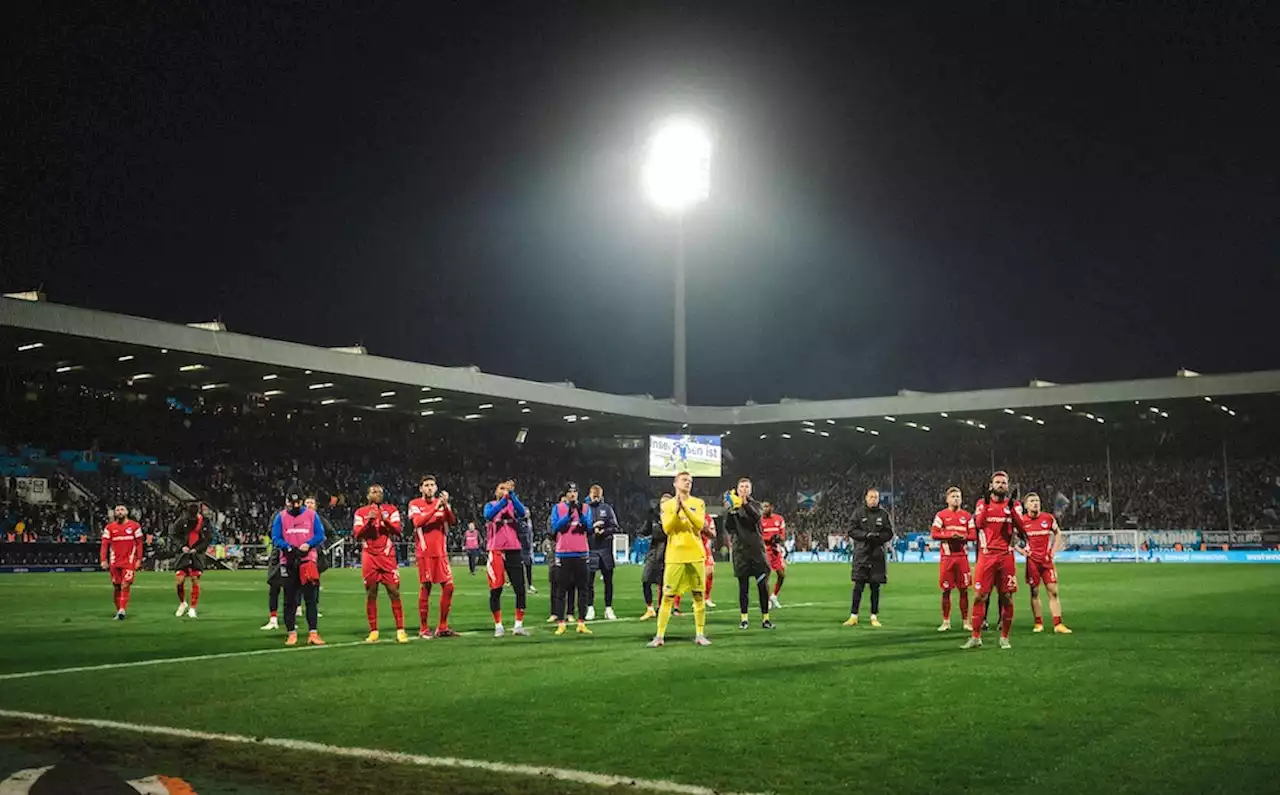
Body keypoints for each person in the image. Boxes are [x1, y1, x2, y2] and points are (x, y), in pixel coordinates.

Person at [963, 472, 1029, 650]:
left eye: (1004, 483)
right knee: (979, 596)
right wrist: (985, 504)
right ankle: (976, 637)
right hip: (986, 556)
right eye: (998, 482)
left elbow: (1022, 529)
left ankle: (1005, 637)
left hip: (1006, 557)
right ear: (991, 485)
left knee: (1007, 597)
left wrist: (1013, 509)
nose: (1001, 485)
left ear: (1008, 486)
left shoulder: (1014, 505)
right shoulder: (981, 503)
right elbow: (978, 524)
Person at [648, 472, 711, 648]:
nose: (688, 483)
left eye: (690, 481)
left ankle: (700, 633)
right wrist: (676, 511)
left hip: (696, 554)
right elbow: (667, 528)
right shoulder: (667, 505)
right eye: (684, 480)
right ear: (675, 483)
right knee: (667, 596)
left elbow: (699, 525)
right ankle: (659, 636)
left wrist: (684, 508)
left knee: (698, 595)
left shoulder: (698, 503)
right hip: (675, 556)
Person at [353, 484, 408, 644]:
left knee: (394, 591)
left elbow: (398, 530)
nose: (376, 494)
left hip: (386, 555)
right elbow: (357, 534)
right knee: (371, 592)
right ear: (368, 495)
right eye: (373, 491)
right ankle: (374, 631)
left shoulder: (390, 510)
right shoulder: (361, 513)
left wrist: (384, 520)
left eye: (379, 492)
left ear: (383, 495)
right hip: (369, 556)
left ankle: (400, 630)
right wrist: (369, 522)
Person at [270, 492, 325, 646]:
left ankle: (313, 633)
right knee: (289, 599)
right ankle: (291, 633)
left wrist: (309, 544)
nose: (295, 506)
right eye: (292, 503)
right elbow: (276, 538)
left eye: (298, 503)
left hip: (307, 561)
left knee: (311, 599)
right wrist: (287, 547)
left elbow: (320, 535)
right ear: (287, 502)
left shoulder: (312, 516)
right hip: (288, 561)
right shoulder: (280, 517)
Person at [409, 475, 458, 639]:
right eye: (426, 485)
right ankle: (423, 628)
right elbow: (417, 523)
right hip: (425, 553)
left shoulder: (442, 505)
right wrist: (436, 507)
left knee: (449, 587)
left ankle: (442, 626)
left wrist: (447, 507)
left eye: (432, 485)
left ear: (436, 488)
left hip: (441, 553)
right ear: (421, 488)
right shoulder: (415, 504)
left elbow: (452, 521)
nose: (430, 488)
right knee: (426, 587)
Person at [723, 477, 774, 631]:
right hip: (740, 552)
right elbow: (729, 528)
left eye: (746, 487)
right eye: (741, 487)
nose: (744, 489)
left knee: (762, 587)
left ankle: (765, 618)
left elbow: (755, 517)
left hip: (757, 551)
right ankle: (744, 619)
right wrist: (731, 512)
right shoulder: (733, 507)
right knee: (743, 588)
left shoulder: (756, 505)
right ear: (737, 489)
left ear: (750, 490)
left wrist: (744, 503)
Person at [483, 479, 530, 637]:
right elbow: (489, 516)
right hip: (496, 550)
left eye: (507, 489)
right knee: (496, 589)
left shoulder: (513, 505)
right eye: (501, 488)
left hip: (513, 549)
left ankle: (518, 625)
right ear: (496, 492)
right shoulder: (490, 505)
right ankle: (498, 625)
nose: (504, 491)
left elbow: (523, 513)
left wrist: (512, 496)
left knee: (520, 588)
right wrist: (504, 500)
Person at [1021, 492, 1072, 634]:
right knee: (1034, 592)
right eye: (1031, 501)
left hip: (1046, 561)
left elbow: (1058, 533)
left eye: (1037, 500)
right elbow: (1011, 537)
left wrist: (1053, 551)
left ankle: (1058, 624)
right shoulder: (1021, 520)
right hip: (1032, 562)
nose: (1035, 503)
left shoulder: (1048, 518)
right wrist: (1021, 550)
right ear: (1026, 505)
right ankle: (1038, 623)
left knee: (1053, 592)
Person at [843, 488, 893, 628]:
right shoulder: (858, 513)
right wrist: (865, 536)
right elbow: (851, 530)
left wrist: (878, 537)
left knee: (875, 588)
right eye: (871, 497)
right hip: (861, 555)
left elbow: (889, 533)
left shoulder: (883, 515)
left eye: (876, 497)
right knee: (858, 586)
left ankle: (874, 616)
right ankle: (853, 616)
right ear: (866, 498)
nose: (873, 499)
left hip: (877, 556)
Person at [550, 483, 593, 636]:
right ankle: (561, 623)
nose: (572, 494)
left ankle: (581, 623)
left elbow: (588, 528)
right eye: (569, 491)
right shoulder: (558, 508)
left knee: (583, 589)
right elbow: (556, 528)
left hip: (581, 553)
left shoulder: (586, 508)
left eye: (575, 491)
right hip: (564, 554)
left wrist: (580, 513)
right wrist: (568, 514)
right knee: (561, 590)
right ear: (565, 494)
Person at [931, 487, 975, 633]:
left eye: (958, 496)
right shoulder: (941, 515)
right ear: (947, 499)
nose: (956, 498)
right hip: (947, 558)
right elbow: (934, 534)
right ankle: (946, 621)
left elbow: (973, 535)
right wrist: (951, 535)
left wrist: (963, 537)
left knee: (964, 590)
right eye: (953, 496)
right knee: (946, 590)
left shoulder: (967, 516)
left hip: (962, 558)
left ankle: (965, 621)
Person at [99, 504, 142, 620]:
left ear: (127, 512)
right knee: (117, 586)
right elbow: (104, 545)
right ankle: (119, 610)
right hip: (114, 561)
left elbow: (139, 544)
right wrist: (103, 559)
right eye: (117, 510)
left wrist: (139, 559)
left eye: (122, 509)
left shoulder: (134, 526)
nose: (119, 512)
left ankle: (122, 610)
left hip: (129, 561)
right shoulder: (109, 528)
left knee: (125, 584)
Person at [584, 483, 620, 621]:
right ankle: (590, 608)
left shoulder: (607, 508)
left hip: (605, 548)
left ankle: (608, 608)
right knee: (589, 581)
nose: (596, 498)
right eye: (594, 495)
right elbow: (582, 527)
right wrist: (593, 529)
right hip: (590, 548)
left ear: (601, 495)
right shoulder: (585, 509)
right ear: (590, 495)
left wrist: (604, 531)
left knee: (608, 581)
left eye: (598, 496)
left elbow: (615, 527)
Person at [169, 502, 211, 619]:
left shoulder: (205, 522)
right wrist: (182, 546)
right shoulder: (182, 520)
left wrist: (197, 549)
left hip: (196, 555)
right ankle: (183, 602)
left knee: (195, 580)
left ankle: (192, 608)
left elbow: (208, 538)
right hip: (183, 555)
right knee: (179, 581)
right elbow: (173, 534)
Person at [639, 495, 671, 620]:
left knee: (664, 584)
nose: (664, 505)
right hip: (654, 553)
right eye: (662, 502)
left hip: (668, 553)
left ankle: (662, 608)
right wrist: (646, 522)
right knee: (645, 580)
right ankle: (650, 608)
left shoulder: (673, 517)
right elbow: (646, 531)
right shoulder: (654, 516)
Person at [261, 501, 288, 630]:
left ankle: (290, 620)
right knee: (274, 587)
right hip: (278, 553)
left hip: (293, 554)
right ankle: (273, 619)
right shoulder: (278, 515)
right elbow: (271, 532)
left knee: (291, 590)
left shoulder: (301, 516)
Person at [304, 496, 330, 617]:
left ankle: (314, 607)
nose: (309, 505)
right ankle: (297, 607)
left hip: (316, 555)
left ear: (315, 506)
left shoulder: (320, 520)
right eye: (307, 502)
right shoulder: (298, 518)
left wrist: (325, 547)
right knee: (297, 582)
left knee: (315, 582)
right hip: (301, 554)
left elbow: (332, 534)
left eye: (311, 503)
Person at [761, 502, 787, 609]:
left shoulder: (779, 519)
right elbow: (758, 537)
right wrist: (768, 539)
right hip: (764, 550)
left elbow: (782, 535)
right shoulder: (759, 521)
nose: (764, 509)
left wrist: (779, 538)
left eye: (766, 506)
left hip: (775, 550)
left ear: (771, 507)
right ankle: (767, 600)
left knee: (782, 574)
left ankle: (774, 596)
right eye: (763, 507)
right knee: (765, 576)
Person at [700, 512, 718, 609]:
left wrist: (705, 529)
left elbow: (714, 534)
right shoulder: (688, 515)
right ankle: (676, 605)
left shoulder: (708, 518)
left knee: (710, 572)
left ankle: (706, 597)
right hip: (692, 548)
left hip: (705, 547)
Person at [519, 510, 537, 595]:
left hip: (528, 548)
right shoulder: (522, 523)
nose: (527, 513)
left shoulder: (529, 522)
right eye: (526, 512)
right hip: (524, 548)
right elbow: (523, 536)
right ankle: (527, 586)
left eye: (528, 512)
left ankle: (529, 585)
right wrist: (526, 545)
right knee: (526, 567)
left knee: (528, 567)